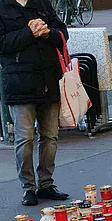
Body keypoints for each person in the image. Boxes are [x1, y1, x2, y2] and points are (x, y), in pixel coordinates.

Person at [0, 0, 69, 206]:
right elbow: (2, 44)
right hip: (18, 82)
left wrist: (48, 33)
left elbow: (63, 34)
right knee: (25, 138)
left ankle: (46, 184)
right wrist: (29, 32)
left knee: (50, 136)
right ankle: (28, 188)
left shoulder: (41, 3)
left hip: (48, 79)